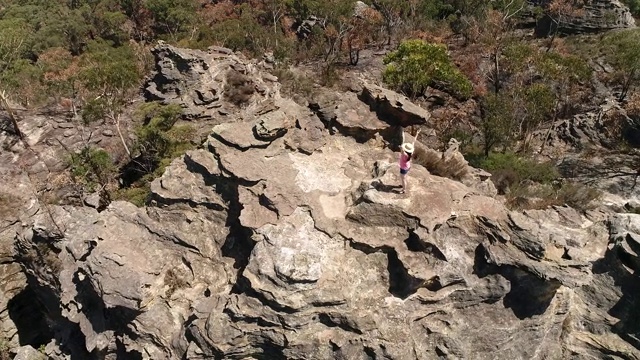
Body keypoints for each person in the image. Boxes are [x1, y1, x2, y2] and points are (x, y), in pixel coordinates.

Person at [398, 129, 420, 194]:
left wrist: (402, 134)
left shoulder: (404, 154)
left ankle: (404, 189)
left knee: (403, 178)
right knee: (404, 177)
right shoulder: (411, 153)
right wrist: (417, 134)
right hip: (407, 167)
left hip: (403, 168)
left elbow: (402, 145)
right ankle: (403, 185)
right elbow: (414, 141)